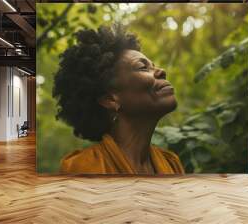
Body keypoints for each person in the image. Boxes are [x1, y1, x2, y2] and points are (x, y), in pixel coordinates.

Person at [53, 24, 184, 175]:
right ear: (110, 99)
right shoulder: (81, 168)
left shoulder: (172, 164)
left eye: (153, 66)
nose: (161, 71)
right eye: (143, 67)